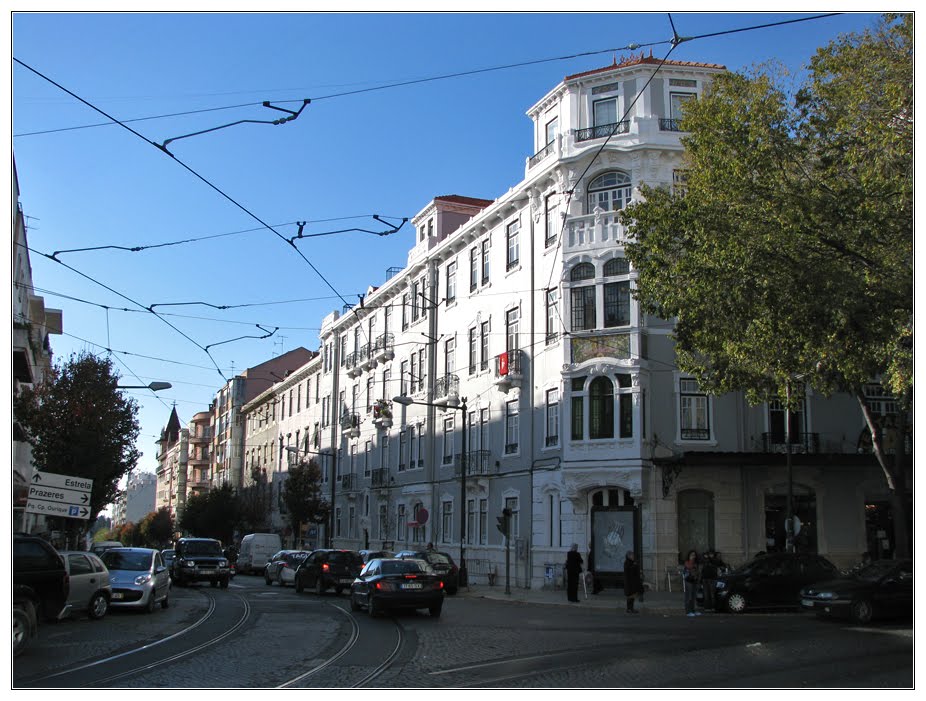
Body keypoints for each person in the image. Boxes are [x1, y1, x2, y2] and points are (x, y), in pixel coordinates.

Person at [683, 549, 701, 616]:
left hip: (695, 580)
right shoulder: (687, 562)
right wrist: (691, 560)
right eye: (692, 555)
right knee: (688, 597)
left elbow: (698, 571)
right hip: (689, 580)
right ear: (689, 555)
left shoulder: (696, 562)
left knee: (693, 597)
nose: (693, 556)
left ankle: (693, 610)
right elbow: (689, 567)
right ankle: (688, 611)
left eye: (694, 555)